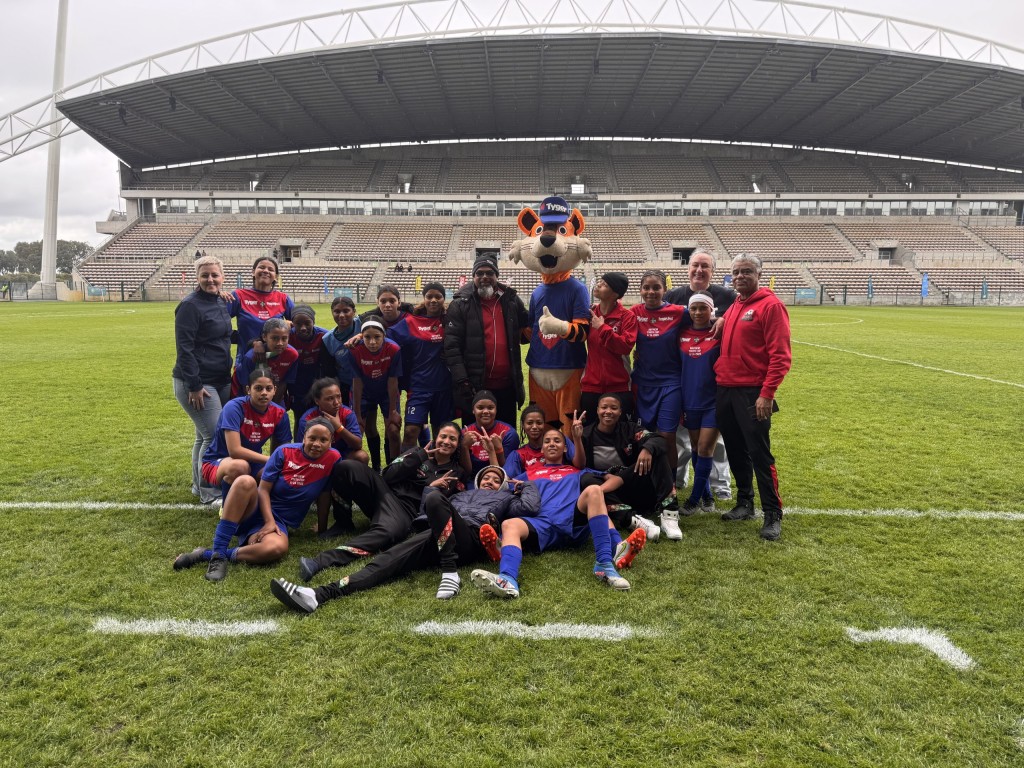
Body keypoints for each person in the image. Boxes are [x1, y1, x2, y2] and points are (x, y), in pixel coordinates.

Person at [269, 465, 541, 612]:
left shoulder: (506, 498)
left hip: (468, 535)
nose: (490, 482)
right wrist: (430, 491)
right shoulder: (459, 495)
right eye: (486, 478)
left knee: (437, 500)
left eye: (496, 479)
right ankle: (317, 595)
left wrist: (524, 485)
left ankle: (451, 573)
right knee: (385, 562)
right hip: (436, 533)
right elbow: (425, 512)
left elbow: (529, 508)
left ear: (503, 485)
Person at [471, 426, 648, 598]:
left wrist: (599, 493)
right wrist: (493, 453)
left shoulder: (578, 471)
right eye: (547, 441)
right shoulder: (528, 474)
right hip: (542, 524)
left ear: (565, 448)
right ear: (542, 448)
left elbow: (616, 480)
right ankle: (507, 579)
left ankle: (604, 565)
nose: (552, 444)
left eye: (557, 441)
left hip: (572, 521)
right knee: (509, 524)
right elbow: (502, 481)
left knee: (594, 491)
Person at [174, 417, 341, 581]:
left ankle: (205, 554)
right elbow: (263, 489)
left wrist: (322, 528)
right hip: (255, 508)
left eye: (323, 440)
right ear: (304, 437)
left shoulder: (333, 458)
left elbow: (324, 495)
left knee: (276, 548)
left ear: (331, 441)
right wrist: (268, 521)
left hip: (280, 521)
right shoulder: (285, 452)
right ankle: (218, 556)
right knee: (245, 481)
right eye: (312, 438)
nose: (317, 444)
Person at [296, 422, 469, 581]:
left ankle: (320, 561)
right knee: (346, 467)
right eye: (443, 437)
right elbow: (387, 475)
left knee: (387, 533)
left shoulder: (455, 471)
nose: (446, 442)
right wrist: (419, 458)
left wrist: (428, 487)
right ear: (435, 438)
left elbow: (430, 506)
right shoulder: (417, 452)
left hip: (404, 512)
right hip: (384, 492)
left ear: (457, 445)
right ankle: (343, 522)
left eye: (452, 439)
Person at [715, 254, 792, 541]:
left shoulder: (771, 306)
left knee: (760, 453)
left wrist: (767, 394)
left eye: (747, 272)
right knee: (735, 449)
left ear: (760, 274)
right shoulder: (736, 304)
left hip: (752, 393)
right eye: (736, 272)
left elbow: (781, 356)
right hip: (725, 388)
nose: (740, 277)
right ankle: (744, 502)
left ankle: (773, 513)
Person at [665, 252, 736, 500]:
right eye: (695, 265)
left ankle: (720, 485)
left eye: (705, 266)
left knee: (715, 443)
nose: (699, 270)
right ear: (688, 268)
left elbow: (741, 313)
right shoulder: (673, 297)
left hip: (711, 384)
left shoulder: (728, 297)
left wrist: (724, 319)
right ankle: (681, 477)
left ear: (712, 271)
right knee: (681, 438)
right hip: (683, 378)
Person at [629, 269, 689, 540]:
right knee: (645, 437)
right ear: (640, 290)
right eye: (646, 288)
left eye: (656, 287)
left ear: (665, 289)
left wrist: (720, 321)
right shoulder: (633, 313)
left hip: (670, 383)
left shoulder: (679, 312)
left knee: (666, 436)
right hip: (642, 383)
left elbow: (705, 318)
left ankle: (670, 485)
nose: (651, 292)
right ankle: (648, 486)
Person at [172, 255, 233, 505]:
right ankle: (210, 494)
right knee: (214, 436)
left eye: (214, 275)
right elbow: (184, 349)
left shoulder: (220, 301)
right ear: (197, 278)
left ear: (222, 277)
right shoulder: (190, 306)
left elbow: (222, 335)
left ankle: (199, 486)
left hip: (221, 377)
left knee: (203, 436)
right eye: (205, 275)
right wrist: (195, 385)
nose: (210, 279)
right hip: (198, 382)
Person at [570, 395, 670, 541]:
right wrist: (577, 439)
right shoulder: (586, 434)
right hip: (607, 490)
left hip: (632, 483)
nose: (608, 411)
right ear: (597, 410)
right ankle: (631, 520)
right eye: (604, 407)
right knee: (586, 479)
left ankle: (670, 512)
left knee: (657, 454)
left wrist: (647, 449)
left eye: (613, 408)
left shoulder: (629, 429)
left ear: (620, 412)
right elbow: (579, 466)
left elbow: (658, 439)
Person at [444, 254, 529, 427]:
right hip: (475, 387)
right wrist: (463, 381)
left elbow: (528, 325)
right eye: (479, 273)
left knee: (507, 436)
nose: (484, 277)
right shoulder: (460, 304)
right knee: (475, 440)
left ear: (497, 276)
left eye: (489, 273)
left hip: (507, 385)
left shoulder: (510, 299)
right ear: (473, 276)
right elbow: (451, 347)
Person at [200, 368, 293, 495]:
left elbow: (283, 450)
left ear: (274, 390)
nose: (264, 393)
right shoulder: (234, 407)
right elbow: (235, 451)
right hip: (218, 462)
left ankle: (259, 506)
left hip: (253, 464)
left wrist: (277, 465)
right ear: (248, 390)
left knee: (277, 474)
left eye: (268, 389)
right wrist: (270, 459)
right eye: (258, 388)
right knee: (240, 467)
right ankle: (226, 507)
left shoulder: (280, 413)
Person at [388, 282, 454, 451]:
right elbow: (385, 337)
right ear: (423, 299)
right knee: (410, 431)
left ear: (443, 299)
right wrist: (362, 334)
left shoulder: (450, 321)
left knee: (442, 435)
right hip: (418, 387)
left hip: (444, 388)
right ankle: (406, 472)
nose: (433, 300)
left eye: (437, 297)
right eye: (429, 296)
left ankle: (439, 470)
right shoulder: (411, 322)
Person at [678, 292, 722, 515]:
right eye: (693, 308)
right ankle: (707, 496)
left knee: (705, 448)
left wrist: (722, 319)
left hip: (713, 401)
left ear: (711, 310)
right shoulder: (681, 333)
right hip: (689, 401)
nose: (697, 313)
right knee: (696, 449)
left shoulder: (719, 332)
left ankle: (693, 501)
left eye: (702, 308)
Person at [580, 272, 637, 424]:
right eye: (600, 282)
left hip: (619, 386)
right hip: (590, 386)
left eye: (605, 284)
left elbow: (625, 346)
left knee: (620, 435)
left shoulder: (627, 317)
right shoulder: (588, 314)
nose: (598, 285)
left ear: (615, 294)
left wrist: (602, 328)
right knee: (589, 433)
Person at [348, 319, 403, 470]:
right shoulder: (354, 350)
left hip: (386, 393)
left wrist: (393, 411)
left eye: (377, 337)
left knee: (393, 429)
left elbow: (393, 382)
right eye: (367, 337)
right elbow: (357, 383)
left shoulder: (393, 349)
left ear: (384, 336)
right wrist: (357, 414)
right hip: (365, 393)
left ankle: (393, 469)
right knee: (358, 431)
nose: (372, 342)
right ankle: (375, 466)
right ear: (362, 336)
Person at [228, 254, 293, 364]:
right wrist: (239, 338)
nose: (266, 271)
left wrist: (288, 324)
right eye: (261, 267)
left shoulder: (283, 298)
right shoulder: (239, 295)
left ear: (276, 276)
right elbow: (218, 322)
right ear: (253, 272)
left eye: (270, 269)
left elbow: (298, 323)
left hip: (276, 361)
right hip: (247, 358)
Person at [231, 317, 298, 404]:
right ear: (264, 337)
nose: (280, 343)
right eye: (275, 338)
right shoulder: (251, 357)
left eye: (284, 338)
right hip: (248, 396)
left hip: (275, 394)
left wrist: (274, 406)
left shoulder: (292, 355)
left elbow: (283, 382)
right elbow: (246, 386)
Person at [503, 405, 575, 478]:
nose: (534, 427)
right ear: (523, 425)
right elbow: (506, 481)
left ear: (544, 424)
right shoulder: (518, 455)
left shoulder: (560, 441)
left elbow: (580, 464)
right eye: (530, 423)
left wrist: (577, 438)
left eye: (539, 423)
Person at [288, 304, 328, 437]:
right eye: (298, 324)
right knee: (300, 417)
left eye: (307, 323)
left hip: (317, 378)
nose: (303, 328)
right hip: (296, 381)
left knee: (319, 415)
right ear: (292, 323)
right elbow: (266, 337)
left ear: (314, 322)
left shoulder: (324, 335)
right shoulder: (287, 336)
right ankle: (299, 445)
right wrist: (257, 343)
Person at [460, 390, 519, 478]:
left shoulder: (508, 433)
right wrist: (464, 446)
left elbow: (507, 471)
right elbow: (465, 472)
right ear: (473, 410)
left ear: (496, 410)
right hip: (471, 480)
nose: (486, 411)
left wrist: (499, 450)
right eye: (480, 408)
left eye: (490, 408)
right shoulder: (464, 433)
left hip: (498, 479)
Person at [320, 296, 361, 407]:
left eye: (346, 311)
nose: (341, 315)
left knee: (368, 419)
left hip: (367, 382)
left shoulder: (363, 324)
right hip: (345, 385)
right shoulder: (327, 340)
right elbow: (330, 370)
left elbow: (381, 317)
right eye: (337, 311)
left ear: (354, 312)